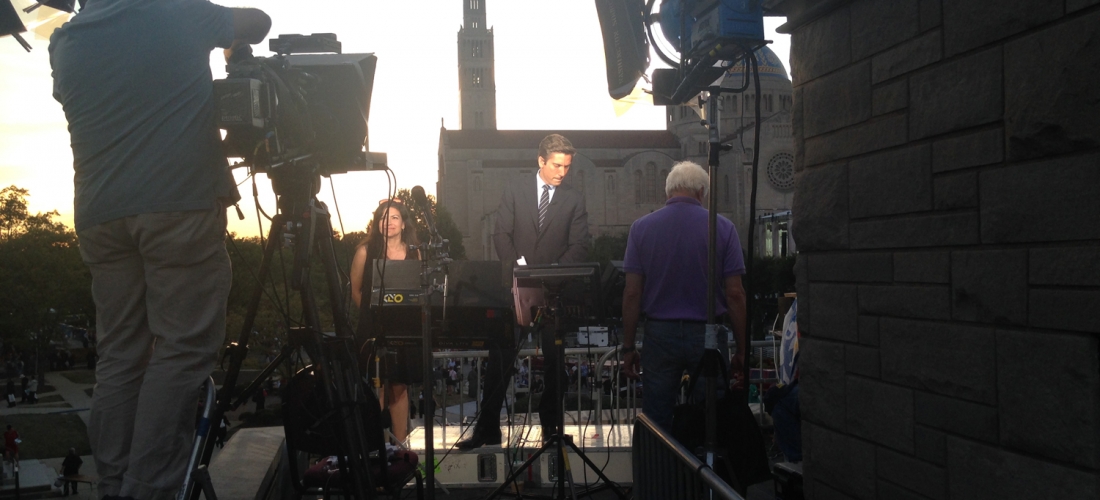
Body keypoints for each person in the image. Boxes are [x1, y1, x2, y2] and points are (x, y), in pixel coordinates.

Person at [49, 2, 271, 499]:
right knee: (181, 350)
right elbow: (258, 21)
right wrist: (226, 40)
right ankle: (148, 490)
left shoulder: (63, 43)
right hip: (178, 206)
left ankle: (114, 485)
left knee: (120, 355)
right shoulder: (178, 12)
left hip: (101, 214)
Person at [457, 133, 591, 450]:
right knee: (500, 358)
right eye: (557, 165)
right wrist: (523, 270)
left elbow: (580, 246)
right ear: (541, 161)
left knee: (555, 362)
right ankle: (487, 428)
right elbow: (502, 234)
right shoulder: (515, 191)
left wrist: (550, 277)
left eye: (567, 166)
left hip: (554, 294)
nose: (562, 172)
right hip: (517, 290)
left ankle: (551, 429)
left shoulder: (574, 199)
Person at [620, 161, 747, 431]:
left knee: (656, 419)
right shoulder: (724, 228)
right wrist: (743, 349)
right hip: (708, 335)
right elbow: (735, 294)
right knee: (712, 417)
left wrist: (628, 347)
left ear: (668, 192)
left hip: (659, 334)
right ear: (701, 192)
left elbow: (632, 293)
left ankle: (657, 472)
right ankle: (708, 470)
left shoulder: (640, 228)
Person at [350, 201, 422, 444]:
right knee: (376, 386)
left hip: (404, 328)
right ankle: (375, 446)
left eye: (393, 217)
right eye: (383, 217)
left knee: (399, 387)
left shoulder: (415, 252)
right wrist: (373, 318)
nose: (388, 222)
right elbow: (357, 290)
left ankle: (400, 446)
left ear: (403, 223)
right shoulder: (364, 251)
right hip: (373, 329)